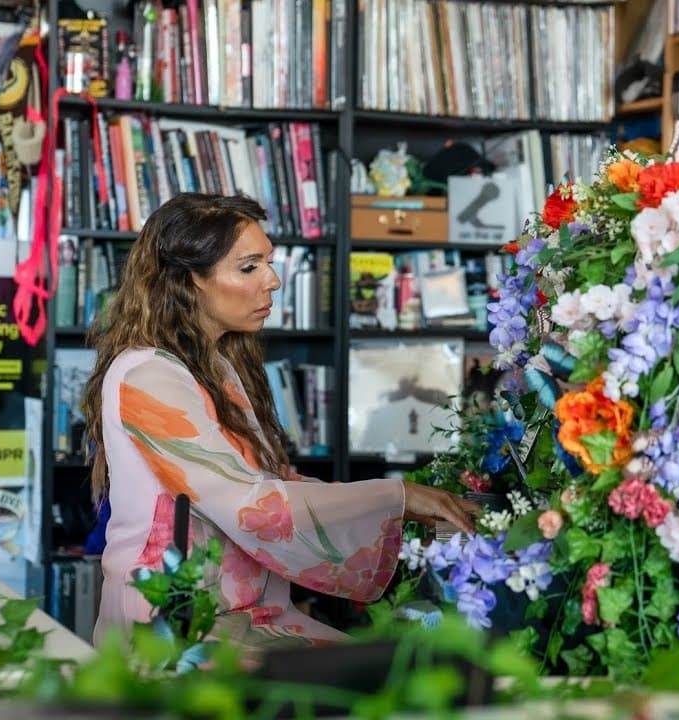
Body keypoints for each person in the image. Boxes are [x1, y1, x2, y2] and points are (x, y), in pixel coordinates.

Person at [82, 193, 479, 649]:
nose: (272, 281)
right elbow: (252, 507)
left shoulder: (215, 366)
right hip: (176, 625)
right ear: (189, 280)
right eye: (249, 267)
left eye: (269, 263)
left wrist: (406, 514)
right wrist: (398, 499)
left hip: (238, 611)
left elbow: (272, 482)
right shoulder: (148, 375)